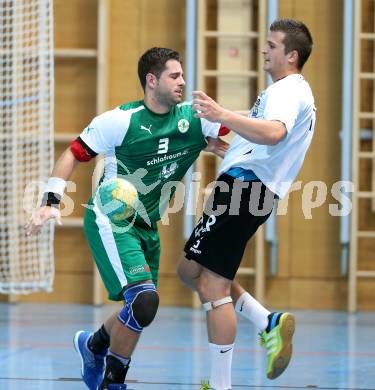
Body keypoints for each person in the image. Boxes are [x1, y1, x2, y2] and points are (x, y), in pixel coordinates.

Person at [25, 47, 229, 390]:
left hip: (148, 226)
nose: (182, 82)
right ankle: (112, 382)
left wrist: (229, 130)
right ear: (152, 80)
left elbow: (237, 125)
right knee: (145, 300)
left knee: (141, 309)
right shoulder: (120, 121)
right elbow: (73, 154)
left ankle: (93, 345)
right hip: (112, 218)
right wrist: (51, 201)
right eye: (174, 76)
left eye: (182, 75)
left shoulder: (192, 119)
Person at [177, 18, 315, 390]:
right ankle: (267, 320)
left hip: (245, 190)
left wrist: (222, 115)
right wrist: (227, 147)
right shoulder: (290, 90)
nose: (265, 50)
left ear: (292, 55)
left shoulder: (288, 90)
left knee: (212, 288)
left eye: (272, 45)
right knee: (190, 269)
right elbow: (265, 139)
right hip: (244, 187)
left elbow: (274, 133)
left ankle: (220, 385)